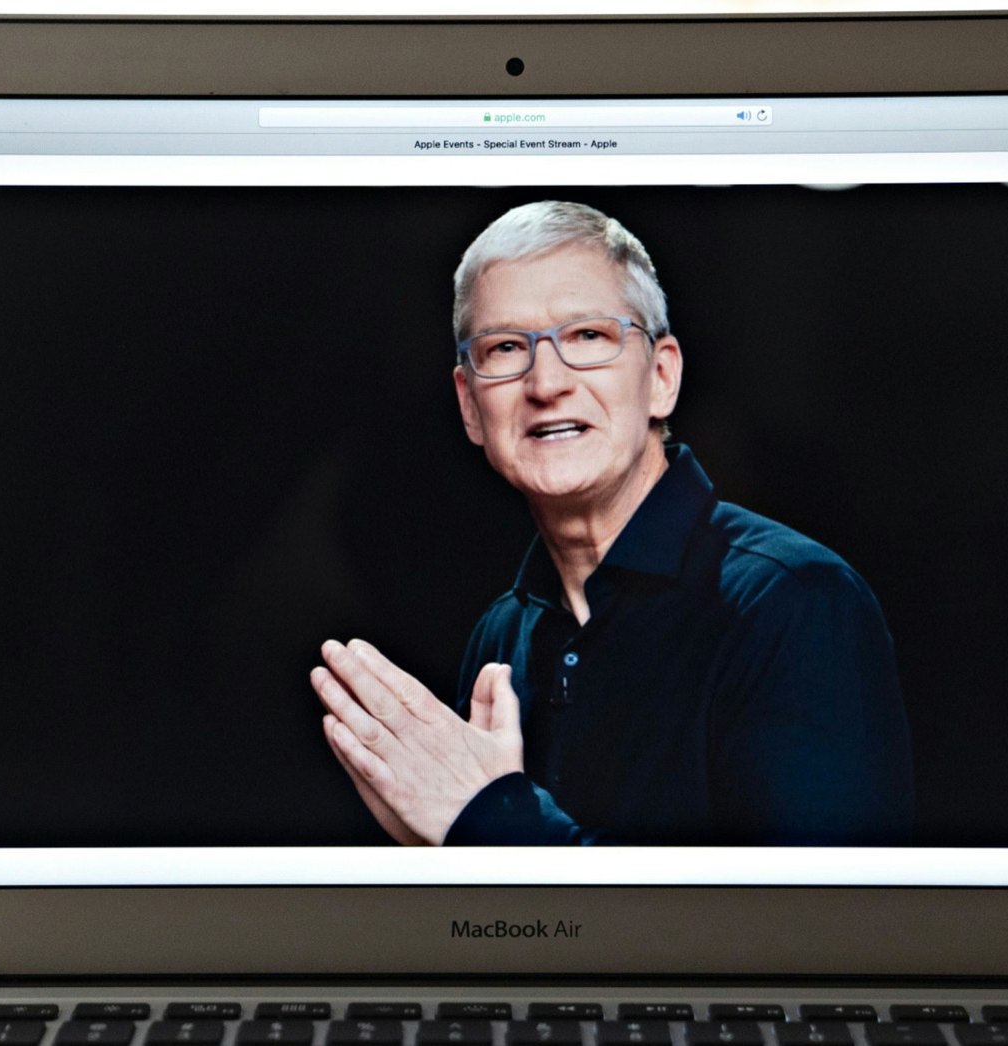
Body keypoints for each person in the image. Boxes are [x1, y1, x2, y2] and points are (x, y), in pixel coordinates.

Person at [310, 200, 913, 846]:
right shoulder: (501, 636)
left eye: (587, 338)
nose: (546, 383)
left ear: (661, 378)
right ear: (470, 407)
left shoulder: (793, 602)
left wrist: (492, 824)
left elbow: (813, 910)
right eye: (506, 348)